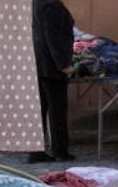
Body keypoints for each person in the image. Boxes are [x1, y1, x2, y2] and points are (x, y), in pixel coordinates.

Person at [31, 0, 76, 163]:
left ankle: (36, 150)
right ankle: (60, 150)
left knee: (40, 108)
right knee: (57, 109)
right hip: (50, 65)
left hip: (39, 62)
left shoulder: (37, 3)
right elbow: (53, 36)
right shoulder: (51, 5)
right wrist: (63, 64)